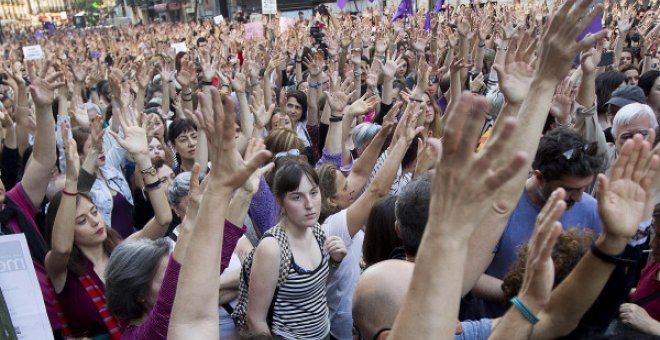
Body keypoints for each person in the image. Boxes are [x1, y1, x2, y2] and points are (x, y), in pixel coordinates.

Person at [44, 110, 172, 338]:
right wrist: (73, 181)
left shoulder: (121, 252)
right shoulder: (60, 269)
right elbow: (62, 248)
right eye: (82, 221)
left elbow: (164, 219)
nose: (95, 221)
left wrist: (143, 157)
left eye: (94, 212)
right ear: (65, 230)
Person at [480, 128, 604, 317]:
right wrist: (528, 299)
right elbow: (474, 279)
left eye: (584, 188)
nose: (579, 198)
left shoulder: (592, 210)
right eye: (570, 189)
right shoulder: (503, 206)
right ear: (539, 177)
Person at [236, 158, 347, 339]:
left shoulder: (317, 230)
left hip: (323, 333)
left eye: (313, 193)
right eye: (297, 197)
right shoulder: (272, 248)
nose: (309, 204)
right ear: (280, 201)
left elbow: (314, 291)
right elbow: (255, 319)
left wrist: (334, 261)